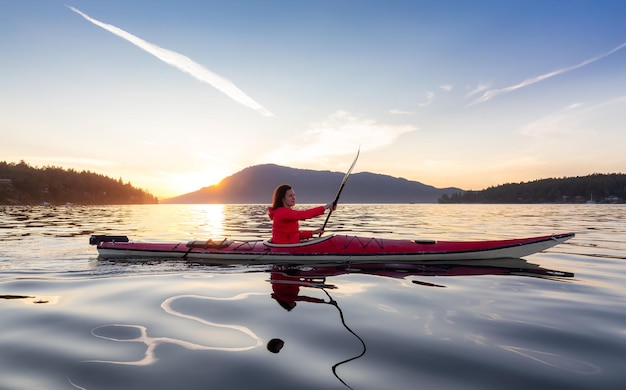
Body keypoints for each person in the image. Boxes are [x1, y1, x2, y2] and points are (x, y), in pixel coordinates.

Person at [268, 184, 335, 244]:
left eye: (294, 195)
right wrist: (326, 207)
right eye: (290, 196)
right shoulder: (282, 213)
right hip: (285, 248)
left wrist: (312, 232)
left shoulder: (286, 212)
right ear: (282, 199)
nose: (293, 198)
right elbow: (304, 214)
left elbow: (293, 234)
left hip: (291, 245)